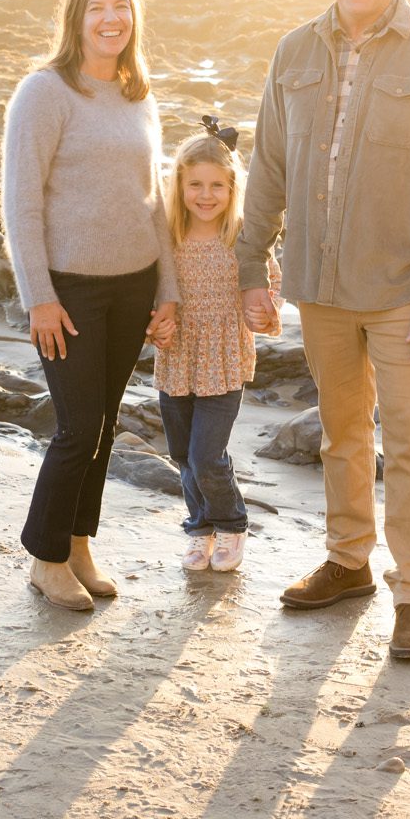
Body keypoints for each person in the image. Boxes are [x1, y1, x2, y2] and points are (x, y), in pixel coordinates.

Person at [236, 0, 410, 660]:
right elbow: (270, 167)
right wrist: (252, 264)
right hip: (321, 286)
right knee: (341, 434)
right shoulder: (294, 53)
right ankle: (349, 561)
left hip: (407, 293)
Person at [1, 0, 180, 611]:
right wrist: (38, 296)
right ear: (77, 18)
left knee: (104, 426)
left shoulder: (140, 96)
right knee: (77, 427)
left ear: (135, 17)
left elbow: (154, 199)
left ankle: (77, 542)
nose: (111, 18)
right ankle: (45, 557)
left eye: (122, 6)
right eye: (98, 7)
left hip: (132, 286)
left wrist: (170, 290)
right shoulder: (45, 92)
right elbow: (20, 202)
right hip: (69, 292)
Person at [154, 118, 279, 573]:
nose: (206, 196)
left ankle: (231, 523)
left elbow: (268, 287)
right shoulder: (167, 237)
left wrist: (262, 313)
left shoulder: (242, 237)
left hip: (224, 360)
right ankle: (199, 528)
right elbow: (155, 295)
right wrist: (155, 327)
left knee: (207, 455)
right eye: (195, 185)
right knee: (182, 454)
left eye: (217, 187)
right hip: (177, 358)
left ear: (232, 189)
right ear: (179, 186)